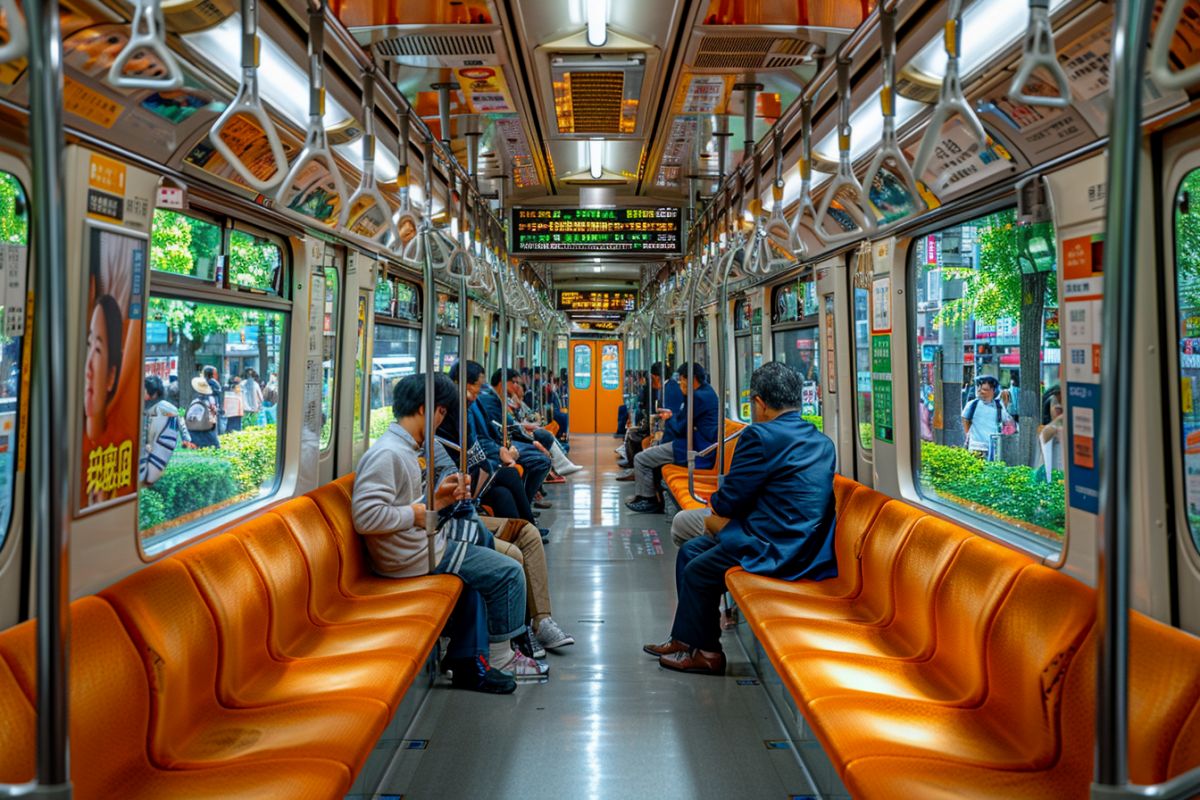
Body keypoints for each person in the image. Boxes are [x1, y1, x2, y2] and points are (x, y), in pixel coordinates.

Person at [351, 373, 546, 689]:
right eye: (441, 412)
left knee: (478, 549)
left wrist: (440, 498)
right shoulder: (389, 454)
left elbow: (416, 508)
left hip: (420, 544)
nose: (442, 420)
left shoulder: (406, 449)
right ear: (426, 410)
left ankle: (470, 659)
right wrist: (417, 513)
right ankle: (501, 657)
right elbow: (366, 516)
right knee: (509, 573)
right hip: (410, 556)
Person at [644, 362, 838, 675]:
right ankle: (685, 639)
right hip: (808, 545)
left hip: (773, 546)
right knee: (691, 551)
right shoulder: (822, 442)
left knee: (698, 569)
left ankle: (707, 653)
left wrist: (715, 503)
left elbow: (730, 499)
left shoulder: (759, 437)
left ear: (760, 403)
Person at [445, 360, 546, 537]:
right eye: (479, 385)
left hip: (482, 462)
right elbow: (472, 442)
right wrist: (498, 454)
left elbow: (482, 437)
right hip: (470, 471)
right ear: (465, 384)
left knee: (502, 494)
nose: (481, 390)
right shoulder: (458, 410)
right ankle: (529, 529)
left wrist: (501, 450)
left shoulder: (472, 404)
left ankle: (523, 534)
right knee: (513, 473)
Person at [626, 363, 719, 514]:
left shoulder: (697, 397)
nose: (680, 384)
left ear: (692, 379)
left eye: (682, 381)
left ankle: (648, 499)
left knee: (641, 459)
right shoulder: (708, 392)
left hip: (696, 449)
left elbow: (680, 428)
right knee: (654, 452)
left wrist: (669, 418)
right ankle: (652, 496)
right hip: (695, 443)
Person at [477, 368, 552, 505]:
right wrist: (530, 439)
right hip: (501, 442)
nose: (518, 386)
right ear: (503, 382)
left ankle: (532, 494)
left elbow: (519, 419)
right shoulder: (489, 399)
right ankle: (526, 502)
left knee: (544, 437)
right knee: (541, 459)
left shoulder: (504, 399)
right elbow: (509, 425)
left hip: (507, 437)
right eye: (515, 383)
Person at [83, 294, 124, 444]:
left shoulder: (119, 439)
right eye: (89, 344)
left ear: (111, 376)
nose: (88, 369)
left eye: (98, 350)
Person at [141, 375, 190, 485]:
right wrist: (186, 438)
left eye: (146, 392)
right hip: (165, 447)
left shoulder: (158, 408)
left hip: (158, 450)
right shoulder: (164, 406)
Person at [962, 374, 1013, 459]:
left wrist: (1005, 404)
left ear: (993, 390)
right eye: (979, 388)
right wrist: (971, 436)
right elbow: (965, 420)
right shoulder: (972, 404)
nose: (980, 391)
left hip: (994, 448)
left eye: (985, 389)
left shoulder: (998, 405)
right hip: (976, 448)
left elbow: (1007, 422)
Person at [185, 376, 220, 449]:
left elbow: (190, 419)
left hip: (198, 435)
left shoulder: (196, 403)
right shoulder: (210, 401)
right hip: (209, 435)